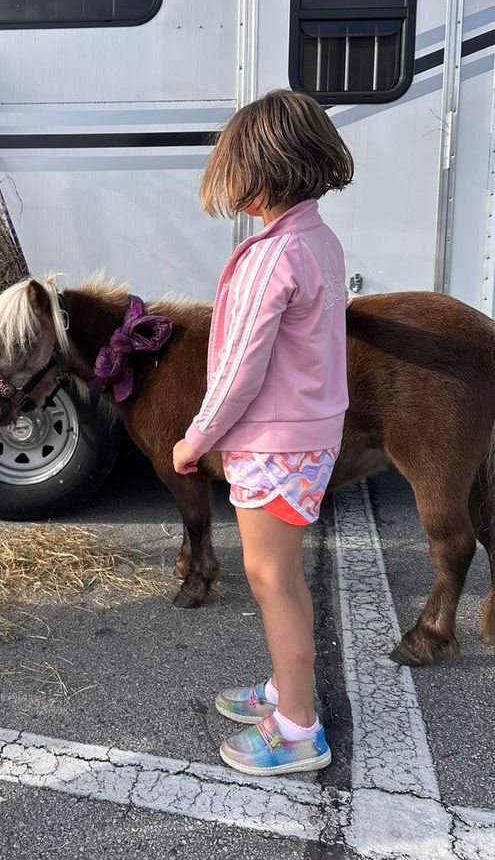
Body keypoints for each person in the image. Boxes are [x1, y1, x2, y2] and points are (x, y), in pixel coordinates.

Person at [172, 89, 353, 776]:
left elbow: (240, 369)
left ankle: (299, 727)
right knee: (280, 573)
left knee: (268, 575)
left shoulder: (273, 258)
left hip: (273, 440)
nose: (230, 188)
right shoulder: (315, 239)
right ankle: (286, 686)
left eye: (236, 172)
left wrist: (194, 438)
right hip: (306, 433)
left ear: (270, 169)